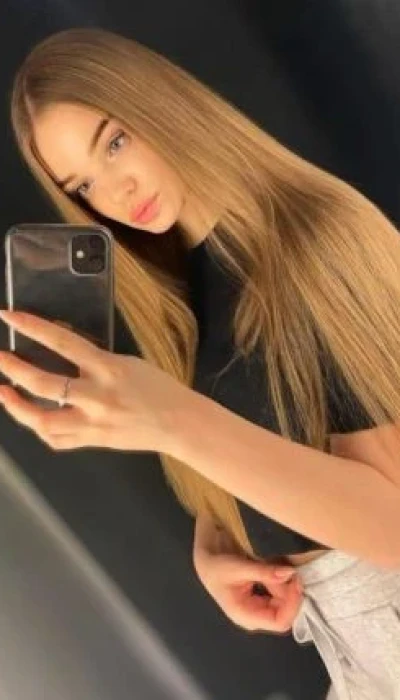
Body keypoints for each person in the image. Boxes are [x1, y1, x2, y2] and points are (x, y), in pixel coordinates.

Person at [5, 27, 400, 699]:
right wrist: (219, 537)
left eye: (115, 142)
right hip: (349, 652)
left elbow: (391, 526)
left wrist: (172, 421)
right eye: (84, 185)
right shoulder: (188, 304)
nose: (117, 191)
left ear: (159, 101)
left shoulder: (314, 239)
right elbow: (276, 433)